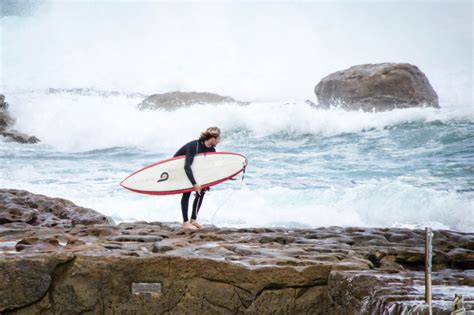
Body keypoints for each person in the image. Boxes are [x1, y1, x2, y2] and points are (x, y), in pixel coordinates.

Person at [174, 127, 221, 230]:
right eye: (218, 138)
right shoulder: (194, 146)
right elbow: (187, 166)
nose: (219, 141)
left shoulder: (212, 150)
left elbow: (208, 168)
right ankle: (185, 222)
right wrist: (194, 183)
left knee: (202, 191)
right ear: (213, 138)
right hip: (180, 169)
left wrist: (208, 183)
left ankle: (193, 220)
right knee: (187, 192)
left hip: (194, 170)